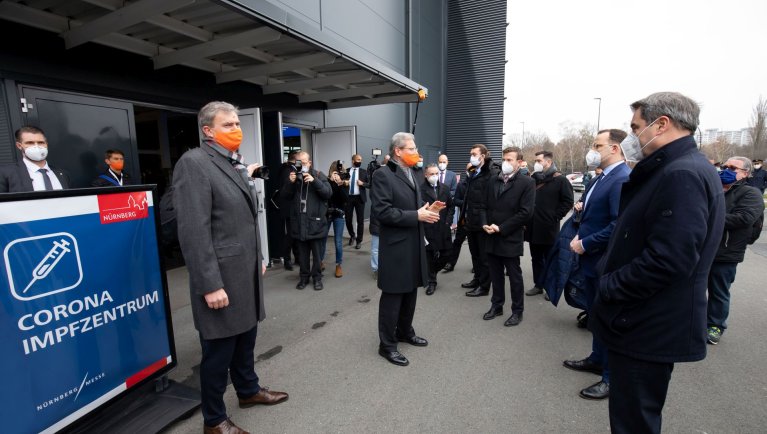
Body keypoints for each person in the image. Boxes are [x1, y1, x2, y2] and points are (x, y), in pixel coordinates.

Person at [590, 92, 724, 434]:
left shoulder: (681, 174)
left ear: (660, 124)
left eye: (636, 127)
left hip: (646, 325)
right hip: (645, 320)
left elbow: (670, 258)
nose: (632, 136)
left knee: (633, 422)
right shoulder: (678, 168)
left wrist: (609, 285)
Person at [173, 101, 288, 434]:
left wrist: (259, 259)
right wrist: (210, 284)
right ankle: (214, 420)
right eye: (228, 125)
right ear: (208, 130)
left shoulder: (233, 162)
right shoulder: (194, 164)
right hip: (220, 277)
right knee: (218, 353)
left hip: (244, 272)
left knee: (245, 341)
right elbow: (194, 230)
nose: (237, 129)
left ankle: (249, 391)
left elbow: (243, 221)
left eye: (238, 123)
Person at [562, 129, 630, 401]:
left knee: (608, 320)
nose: (592, 150)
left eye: (597, 145)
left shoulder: (622, 178)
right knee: (596, 315)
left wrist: (586, 242)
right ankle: (597, 359)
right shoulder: (603, 177)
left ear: (614, 149)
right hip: (591, 261)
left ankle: (610, 378)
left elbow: (618, 224)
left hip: (604, 260)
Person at [371, 132, 439, 367]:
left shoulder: (413, 172)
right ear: (397, 151)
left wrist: (424, 211)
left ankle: (404, 331)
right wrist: (415, 215)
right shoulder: (383, 175)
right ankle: (387, 345)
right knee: (393, 297)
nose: (416, 152)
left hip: (413, 242)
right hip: (396, 248)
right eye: (411, 149)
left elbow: (408, 206)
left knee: (410, 292)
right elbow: (383, 212)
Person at [706, 156, 764, 344]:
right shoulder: (714, 188)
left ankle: (715, 325)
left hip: (726, 251)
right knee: (693, 289)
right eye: (725, 166)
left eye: (733, 168)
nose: (727, 170)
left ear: (745, 173)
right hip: (701, 249)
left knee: (719, 291)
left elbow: (745, 218)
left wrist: (707, 217)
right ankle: (692, 322)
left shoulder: (750, 193)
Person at [481, 147, 535, 326]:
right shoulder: (493, 180)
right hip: (491, 235)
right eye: (504, 159)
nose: (505, 162)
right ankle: (496, 306)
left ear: (520, 163)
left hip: (510, 237)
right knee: (495, 274)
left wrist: (501, 228)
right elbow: (483, 205)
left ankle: (517, 311)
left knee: (514, 276)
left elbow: (525, 213)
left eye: (510, 159)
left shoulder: (527, 183)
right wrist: (484, 224)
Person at [525, 150, 574, 297]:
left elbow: (568, 202)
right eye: (536, 161)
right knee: (536, 258)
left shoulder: (561, 180)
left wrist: (555, 216)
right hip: (533, 227)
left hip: (548, 228)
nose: (537, 164)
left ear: (549, 162)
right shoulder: (534, 179)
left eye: (539, 161)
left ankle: (549, 287)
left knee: (550, 258)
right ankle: (538, 284)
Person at [281, 151, 332, 290]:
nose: (301, 165)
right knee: (302, 255)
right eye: (298, 163)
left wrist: (314, 181)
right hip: (299, 223)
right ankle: (303, 278)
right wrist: (290, 183)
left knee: (316, 255)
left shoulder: (318, 175)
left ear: (309, 163)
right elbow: (284, 196)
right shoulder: (293, 178)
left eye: (304, 163)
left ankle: (317, 279)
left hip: (315, 223)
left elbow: (328, 194)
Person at [462, 145, 498, 297]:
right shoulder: (472, 172)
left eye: (474, 154)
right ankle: (477, 279)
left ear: (483, 156)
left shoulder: (491, 173)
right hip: (470, 220)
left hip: (483, 222)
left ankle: (484, 286)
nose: (471, 156)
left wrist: (487, 221)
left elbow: (492, 199)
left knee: (484, 257)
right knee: (475, 254)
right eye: (471, 154)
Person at [0, 126, 69, 192]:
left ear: (46, 144)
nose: (36, 146)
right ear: (19, 146)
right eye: (30, 143)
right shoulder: (6, 174)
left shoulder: (62, 174)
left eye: (41, 142)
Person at [420, 163, 454, 295]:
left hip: (443, 227)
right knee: (429, 255)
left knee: (447, 254)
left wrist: (448, 221)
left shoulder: (444, 188)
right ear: (426, 175)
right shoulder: (420, 189)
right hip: (428, 228)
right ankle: (431, 282)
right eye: (431, 174)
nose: (434, 176)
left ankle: (433, 271)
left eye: (436, 174)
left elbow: (451, 206)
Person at [321, 160, 350, 278]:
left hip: (339, 213)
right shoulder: (326, 181)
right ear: (332, 171)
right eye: (336, 171)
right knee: (322, 239)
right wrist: (330, 182)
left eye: (341, 171)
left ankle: (338, 265)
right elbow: (326, 196)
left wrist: (340, 184)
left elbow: (345, 199)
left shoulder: (344, 183)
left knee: (338, 241)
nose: (339, 173)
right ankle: (320, 261)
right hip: (327, 213)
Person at [276, 151, 300, 270]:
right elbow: (287, 189)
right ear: (295, 158)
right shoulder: (288, 170)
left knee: (294, 233)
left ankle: (297, 258)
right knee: (290, 234)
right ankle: (287, 260)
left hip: (291, 207)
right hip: (289, 207)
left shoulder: (289, 168)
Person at [345, 154, 369, 249]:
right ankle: (352, 236)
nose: (360, 161)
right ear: (353, 160)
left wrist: (362, 183)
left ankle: (359, 240)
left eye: (361, 160)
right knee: (348, 219)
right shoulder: (346, 171)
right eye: (358, 159)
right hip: (348, 198)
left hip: (360, 198)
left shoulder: (364, 172)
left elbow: (370, 184)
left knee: (360, 220)